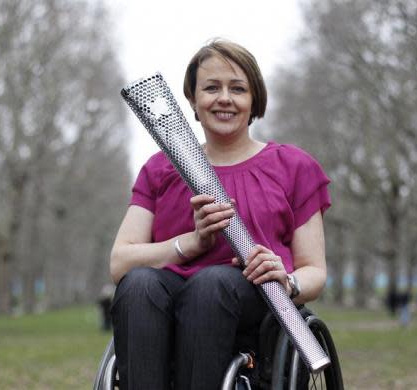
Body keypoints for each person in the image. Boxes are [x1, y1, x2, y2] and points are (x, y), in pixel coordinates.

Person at [110, 39, 331, 390]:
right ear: (194, 102)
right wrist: (192, 243)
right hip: (164, 303)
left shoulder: (293, 167)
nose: (224, 98)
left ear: (254, 99)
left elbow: (315, 272)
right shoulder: (160, 170)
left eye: (238, 88)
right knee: (138, 284)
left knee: (210, 284)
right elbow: (121, 262)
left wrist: (288, 280)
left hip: (254, 307)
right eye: (211, 87)